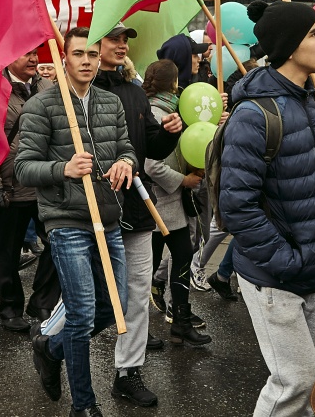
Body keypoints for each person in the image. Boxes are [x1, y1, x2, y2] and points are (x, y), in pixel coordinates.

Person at [219, 0, 315, 416]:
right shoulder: (253, 116)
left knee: (313, 382)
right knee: (294, 381)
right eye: (314, 34)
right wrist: (287, 260)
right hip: (275, 276)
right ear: (289, 46)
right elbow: (237, 206)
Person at [16, 27, 133, 417]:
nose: (86, 61)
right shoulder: (42, 106)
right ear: (64, 58)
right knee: (81, 313)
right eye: (79, 53)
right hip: (66, 219)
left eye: (93, 54)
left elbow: (126, 146)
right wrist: (63, 168)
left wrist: (125, 162)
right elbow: (23, 168)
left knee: (114, 307)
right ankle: (83, 405)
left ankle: (50, 347)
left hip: (108, 217)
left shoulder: (111, 102)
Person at [94, 22, 182, 408]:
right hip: (92, 209)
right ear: (94, 44)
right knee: (91, 293)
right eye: (113, 39)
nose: (121, 46)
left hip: (137, 207)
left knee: (137, 292)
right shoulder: (80, 92)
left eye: (124, 40)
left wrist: (171, 132)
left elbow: (151, 149)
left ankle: (128, 372)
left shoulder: (134, 92)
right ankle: (53, 342)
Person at [0, 49, 52, 333]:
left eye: (35, 53)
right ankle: (10, 308)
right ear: (8, 57)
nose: (33, 59)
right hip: (11, 189)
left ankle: (41, 301)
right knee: (7, 253)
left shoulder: (48, 86)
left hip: (45, 185)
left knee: (59, 244)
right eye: (25, 54)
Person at [142, 59, 211, 346]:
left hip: (174, 205)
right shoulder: (155, 113)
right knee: (148, 268)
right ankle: (138, 328)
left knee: (182, 257)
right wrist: (183, 180)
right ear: (172, 83)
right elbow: (151, 165)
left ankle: (181, 321)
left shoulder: (173, 109)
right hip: (157, 205)